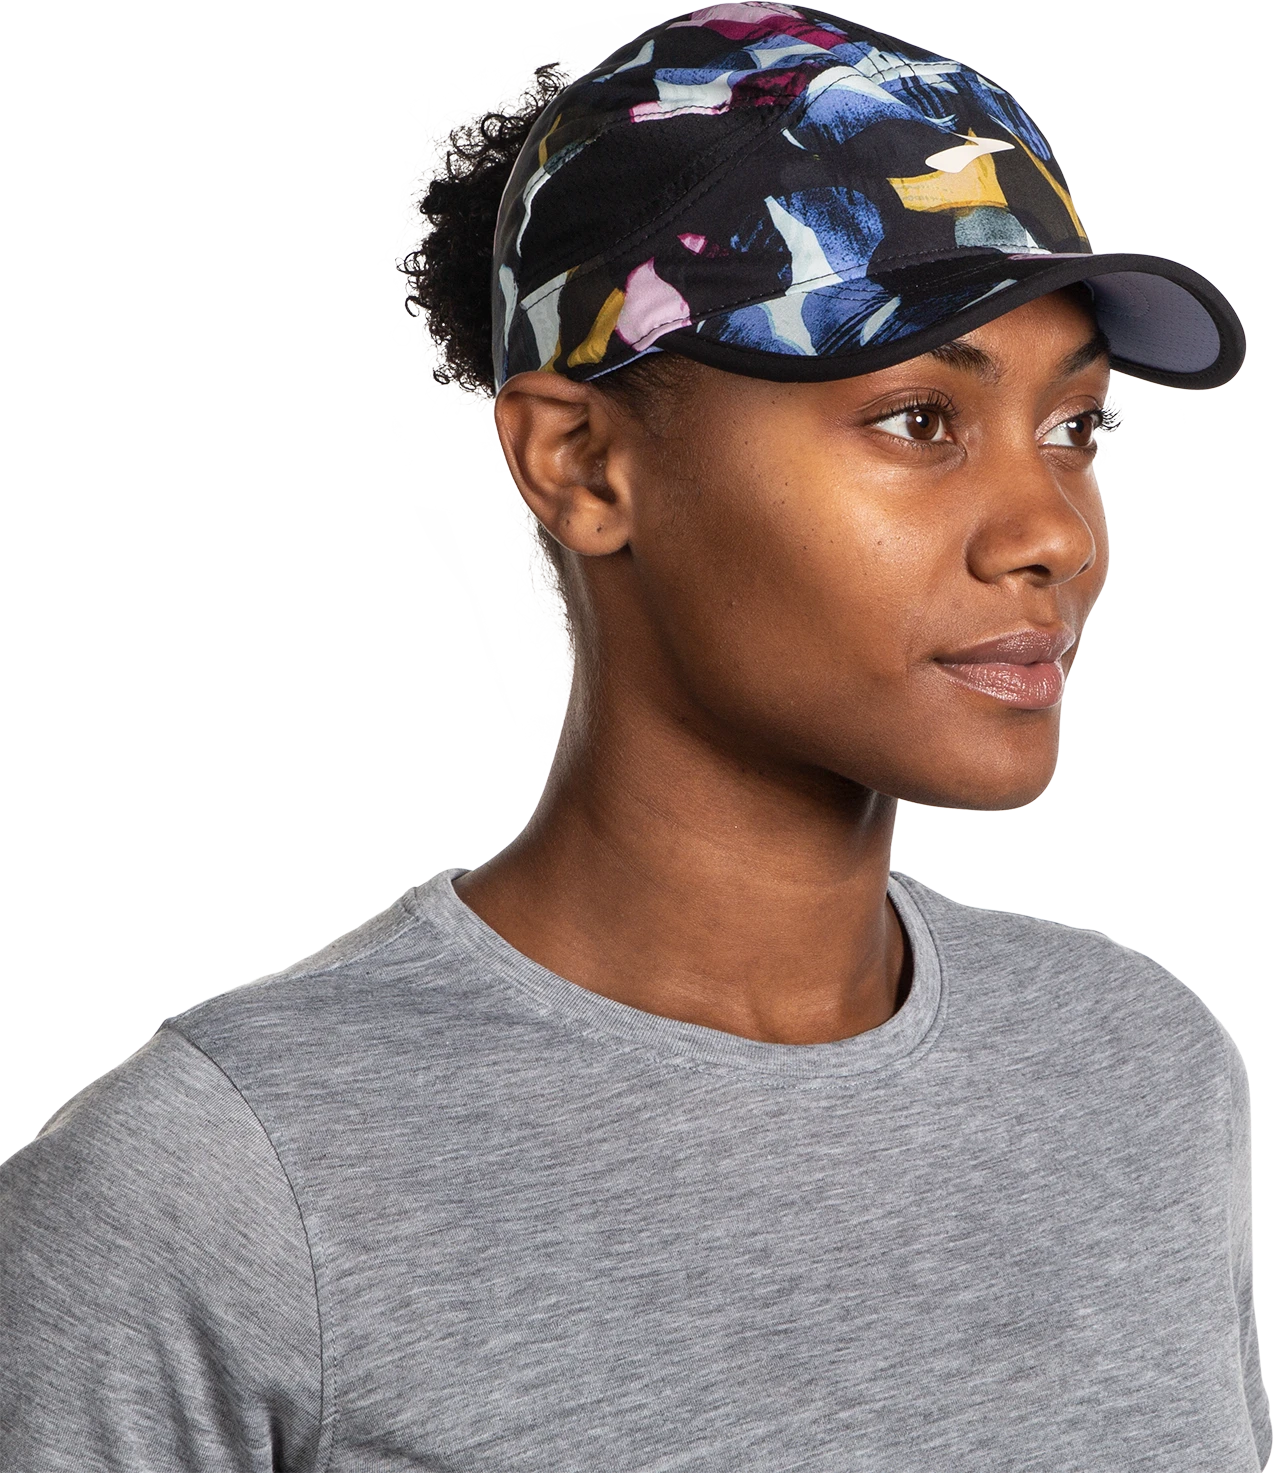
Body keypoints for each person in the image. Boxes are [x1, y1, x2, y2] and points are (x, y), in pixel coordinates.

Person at [2, 5, 1265, 1469]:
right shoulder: (229, 1185)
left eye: (1075, 428)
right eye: (919, 419)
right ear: (582, 463)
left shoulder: (1137, 1067)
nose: (1054, 534)